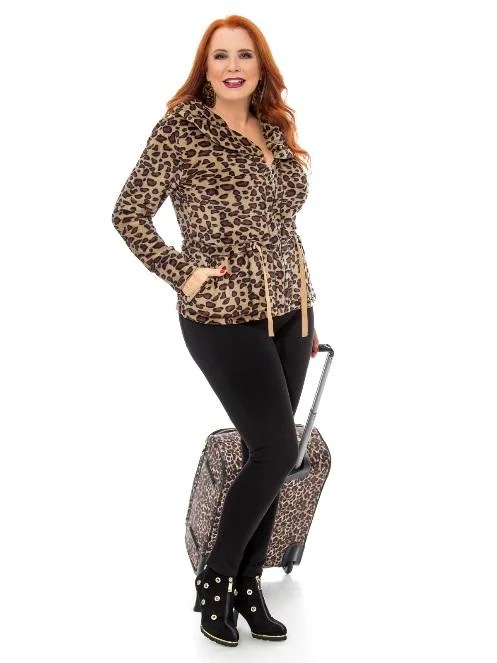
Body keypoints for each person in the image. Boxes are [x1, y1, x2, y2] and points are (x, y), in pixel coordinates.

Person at [112, 14, 320, 647]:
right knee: (276, 449)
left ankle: (250, 586)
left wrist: (307, 313)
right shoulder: (183, 128)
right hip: (223, 315)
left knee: (273, 456)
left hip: (292, 311)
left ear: (261, 67)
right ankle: (217, 578)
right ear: (205, 67)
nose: (233, 66)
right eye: (221, 55)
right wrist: (183, 273)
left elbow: (284, 224)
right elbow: (128, 213)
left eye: (245, 55)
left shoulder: (273, 126)